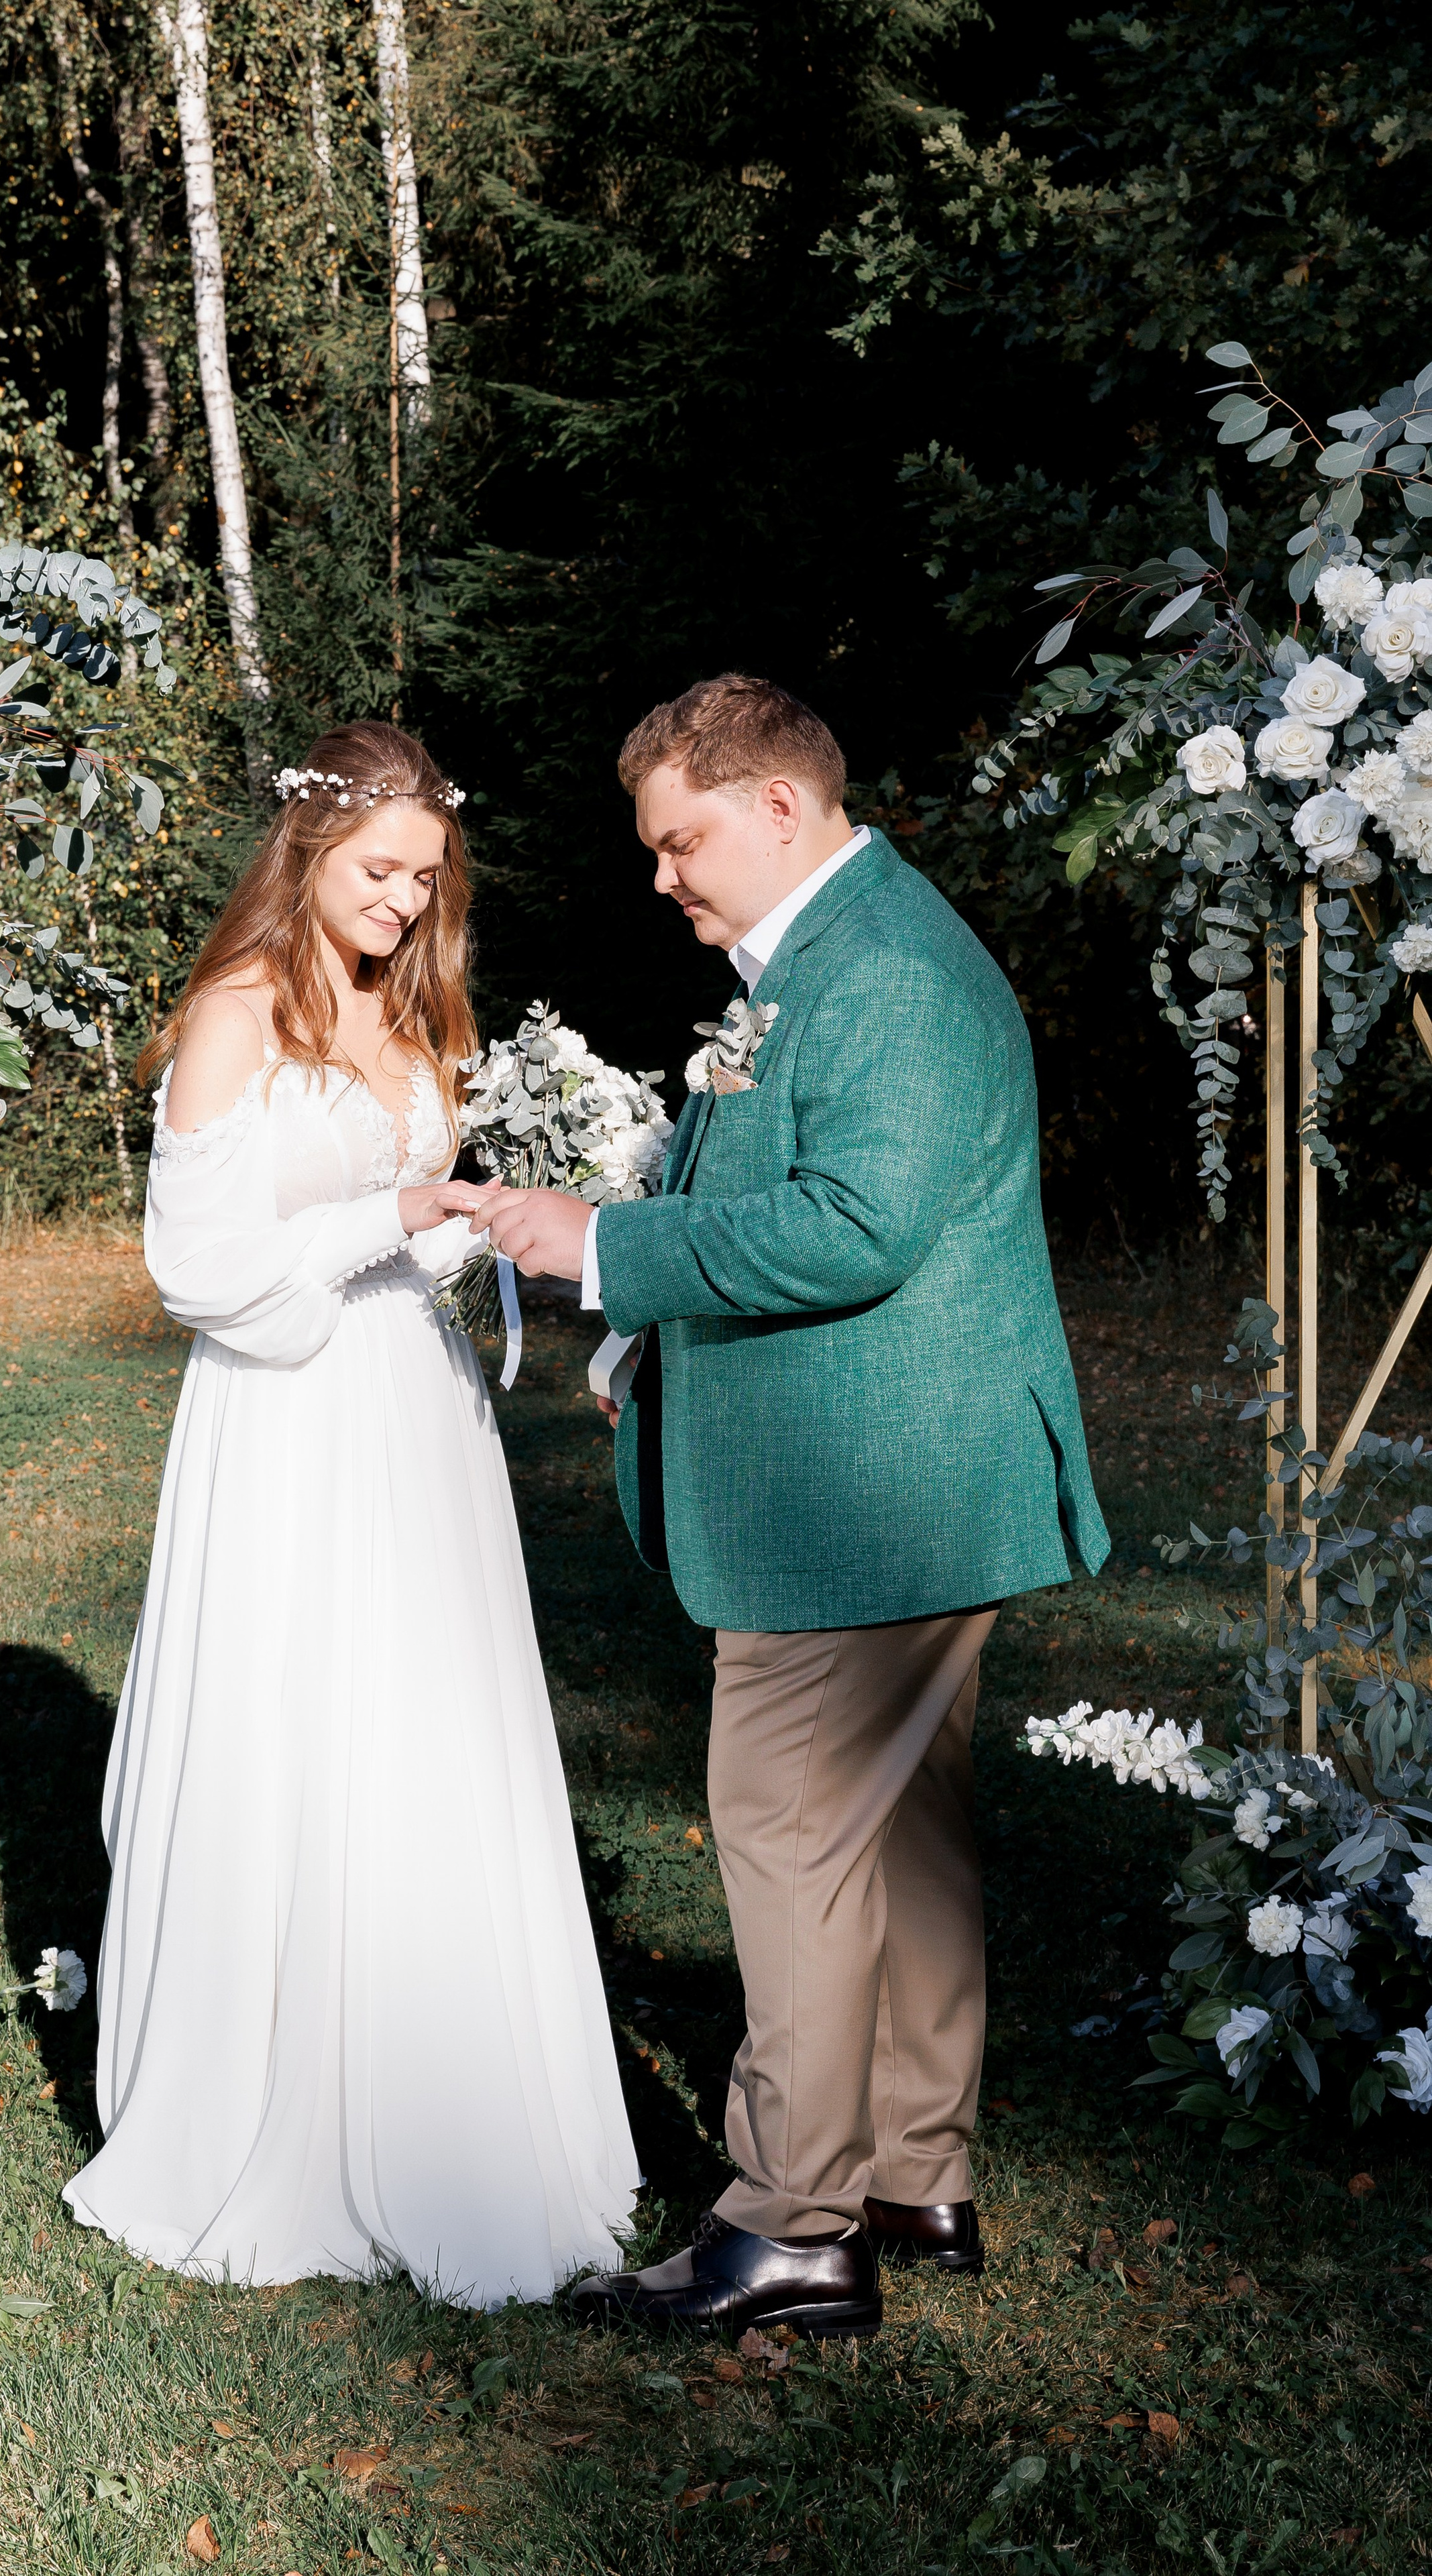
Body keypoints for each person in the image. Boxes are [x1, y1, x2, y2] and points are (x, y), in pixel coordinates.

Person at [474, 674, 1109, 2340]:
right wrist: (650, 1334)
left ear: (775, 808)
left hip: (868, 1500)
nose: (661, 877)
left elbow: (851, 1227)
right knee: (898, 1837)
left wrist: (593, 1247)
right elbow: (774, 1191)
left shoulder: (883, 972)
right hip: (902, 1474)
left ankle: (790, 2222)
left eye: (680, 841)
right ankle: (912, 2167)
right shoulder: (829, 957)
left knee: (785, 1835)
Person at [63, 722, 638, 2307]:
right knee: (300, 1716)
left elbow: (406, 1224)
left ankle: (457, 2104)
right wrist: (381, 1219)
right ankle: (275, 2116)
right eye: (377, 871)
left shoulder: (412, 1007)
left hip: (415, 1408)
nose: (398, 902)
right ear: (305, 852)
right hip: (286, 1413)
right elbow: (197, 1274)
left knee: (425, 1721)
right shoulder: (231, 1014)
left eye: (422, 879)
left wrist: (474, 1229)